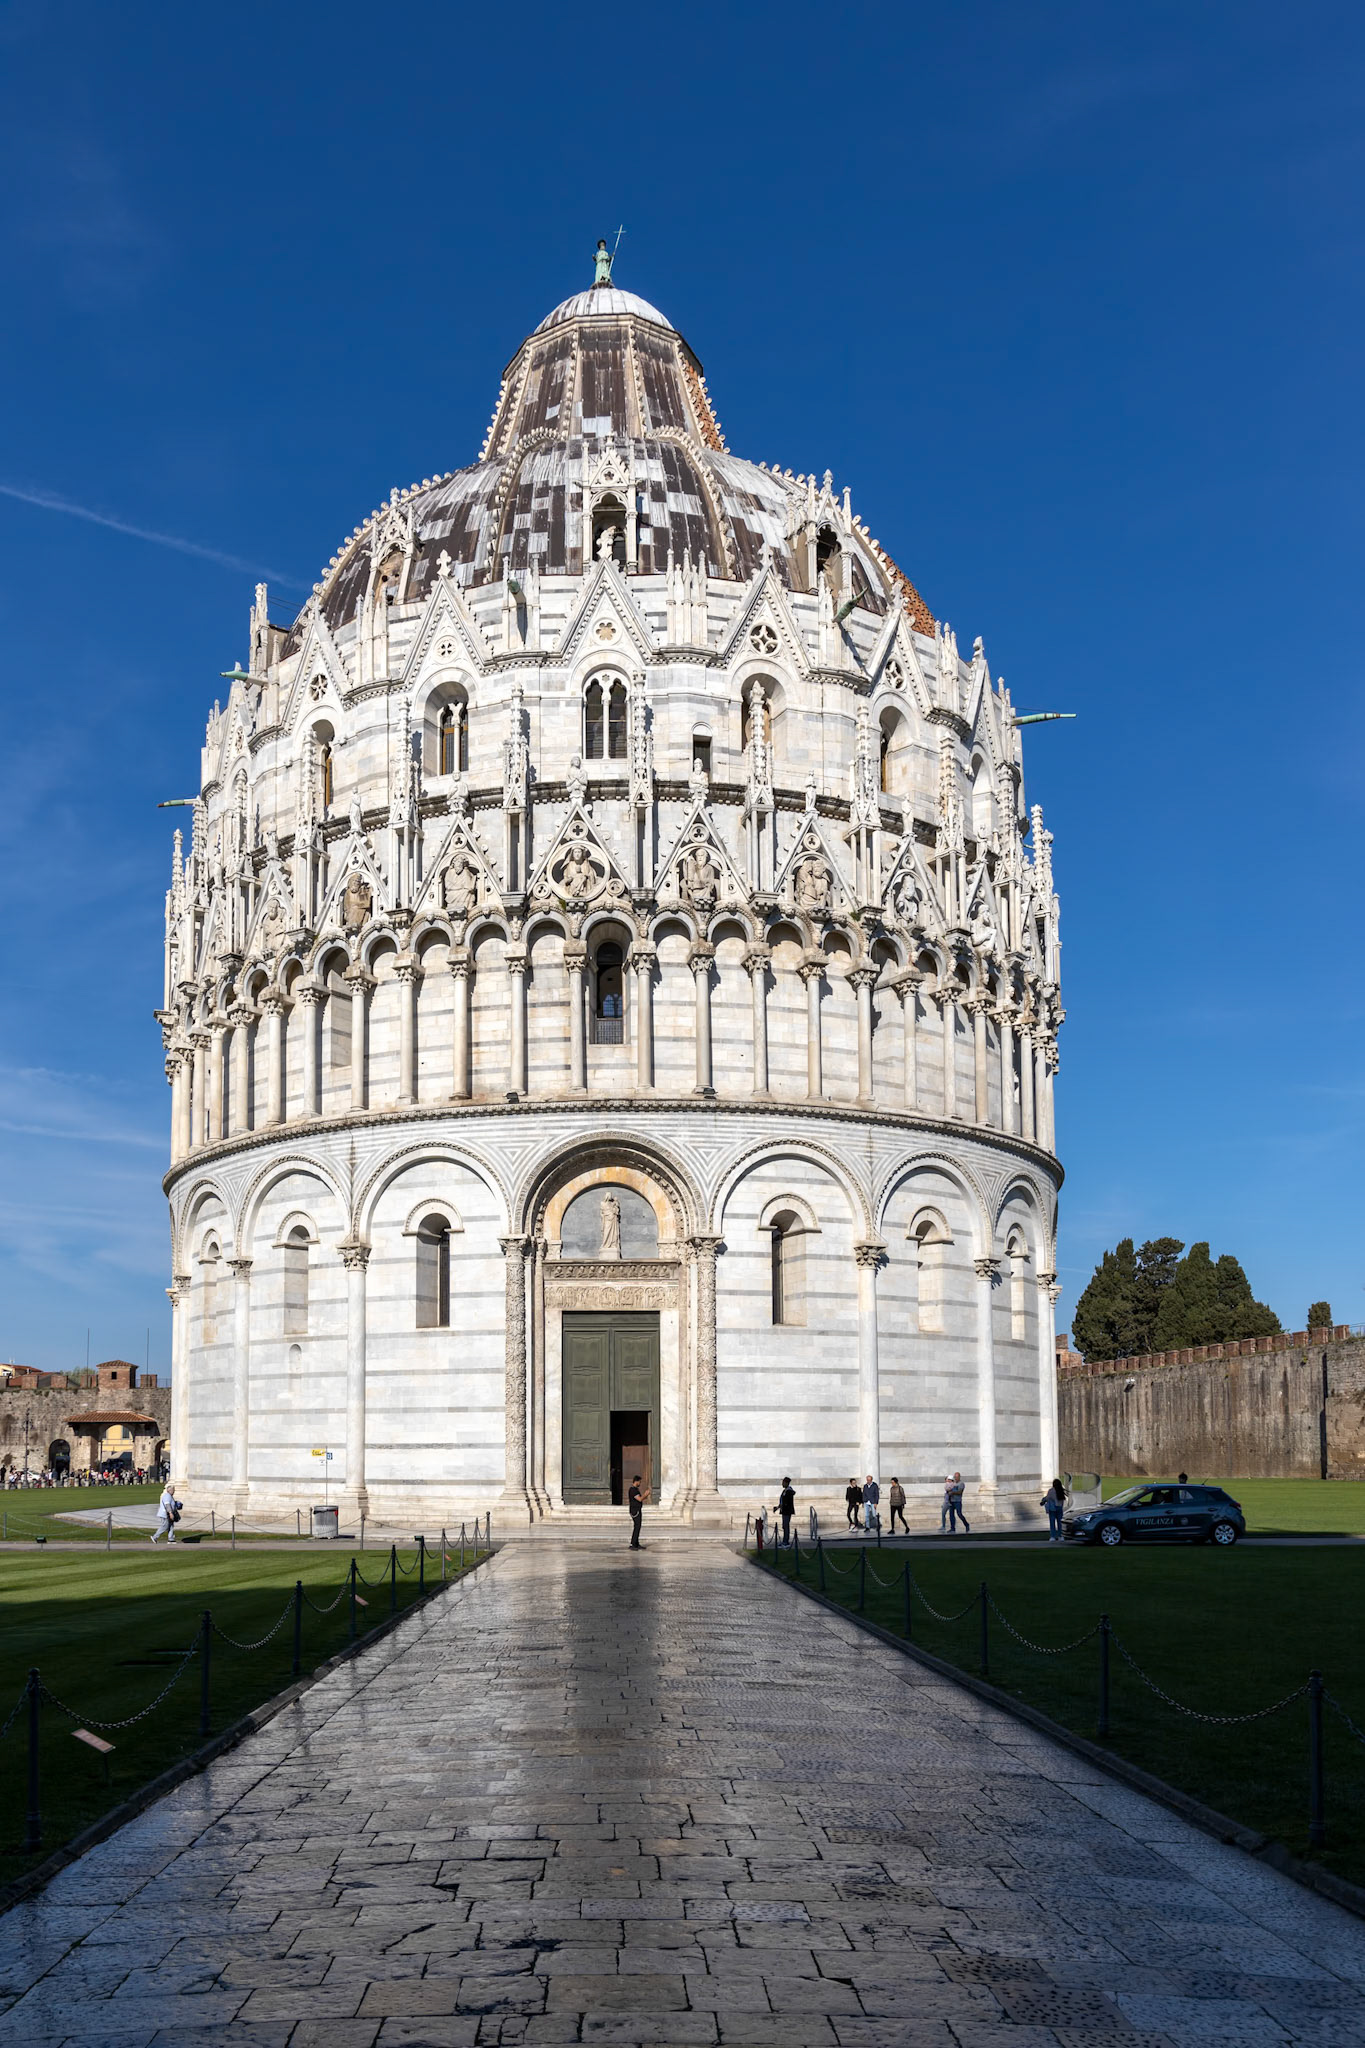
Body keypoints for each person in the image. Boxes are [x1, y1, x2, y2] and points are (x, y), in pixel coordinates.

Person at [151, 1480, 182, 1545]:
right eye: (173, 1490)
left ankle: (171, 1539)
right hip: (165, 1514)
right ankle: (155, 1537)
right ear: (169, 1490)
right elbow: (167, 1504)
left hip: (167, 1514)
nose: (174, 1491)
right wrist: (170, 1513)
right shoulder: (167, 1496)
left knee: (171, 1526)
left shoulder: (169, 1496)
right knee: (165, 1526)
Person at [1041, 1476, 1067, 1541]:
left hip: (1052, 1509)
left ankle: (1053, 1536)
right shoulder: (1061, 1491)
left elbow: (1047, 1498)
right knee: (1059, 1523)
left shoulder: (1051, 1491)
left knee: (1052, 1523)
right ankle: (1060, 1536)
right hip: (1059, 1508)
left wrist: (1043, 1501)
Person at [627, 1473, 646, 1549]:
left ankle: (636, 1543)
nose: (640, 1483)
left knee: (638, 1526)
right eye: (640, 1482)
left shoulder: (635, 1489)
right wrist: (646, 1494)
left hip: (637, 1509)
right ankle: (633, 1544)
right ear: (636, 1481)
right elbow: (640, 1499)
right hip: (635, 1511)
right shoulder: (633, 1490)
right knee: (637, 1526)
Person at [776, 1477, 796, 1547]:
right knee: (784, 1526)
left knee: (786, 1526)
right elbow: (782, 1501)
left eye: (783, 1483)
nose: (782, 1484)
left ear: (787, 1483)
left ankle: (786, 1542)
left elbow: (787, 1502)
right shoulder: (785, 1491)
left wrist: (783, 1506)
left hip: (787, 1511)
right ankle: (784, 1541)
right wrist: (777, 1507)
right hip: (784, 1511)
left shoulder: (789, 1491)